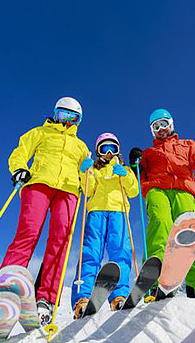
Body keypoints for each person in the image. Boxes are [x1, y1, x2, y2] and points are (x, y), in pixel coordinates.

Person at [0, 97, 90, 324]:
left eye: (72, 117)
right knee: (27, 234)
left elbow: (87, 177)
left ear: (78, 121)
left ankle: (45, 297)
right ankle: (4, 293)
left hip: (68, 192)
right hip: (38, 184)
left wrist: (87, 173)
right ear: (55, 113)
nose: (66, 121)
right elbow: (20, 152)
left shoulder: (81, 146)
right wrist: (19, 169)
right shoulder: (39, 133)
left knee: (60, 241)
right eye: (63, 114)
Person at [129, 109, 195, 303]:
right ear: (152, 131)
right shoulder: (149, 153)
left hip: (183, 190)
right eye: (156, 126)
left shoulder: (187, 144)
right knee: (160, 224)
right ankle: (153, 286)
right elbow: (139, 177)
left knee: (189, 237)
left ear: (171, 124)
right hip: (156, 189)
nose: (161, 129)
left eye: (164, 124)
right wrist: (136, 164)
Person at [72, 133, 139, 316]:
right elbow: (88, 189)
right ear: (97, 151)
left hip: (118, 212)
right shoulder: (94, 169)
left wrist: (124, 175)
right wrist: (84, 172)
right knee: (91, 252)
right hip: (96, 212)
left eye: (112, 148)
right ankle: (82, 297)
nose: (108, 153)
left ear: (118, 151)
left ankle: (119, 295)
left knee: (120, 251)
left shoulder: (123, 168)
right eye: (104, 148)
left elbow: (133, 191)